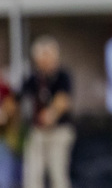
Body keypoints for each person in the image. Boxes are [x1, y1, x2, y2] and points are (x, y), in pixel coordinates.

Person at [21, 35, 75, 188]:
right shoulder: (33, 78)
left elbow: (63, 100)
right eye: (43, 55)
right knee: (33, 175)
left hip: (59, 131)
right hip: (38, 131)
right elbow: (19, 97)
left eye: (49, 54)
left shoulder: (62, 76)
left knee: (58, 175)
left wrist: (51, 113)